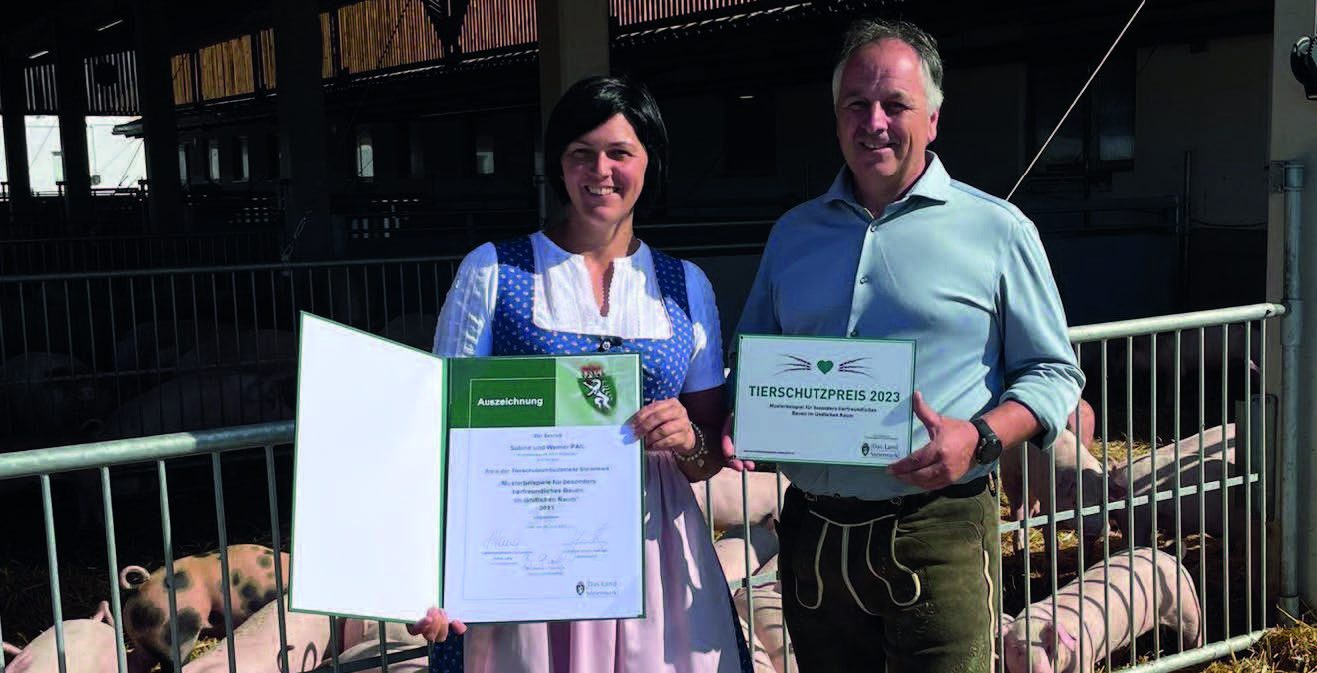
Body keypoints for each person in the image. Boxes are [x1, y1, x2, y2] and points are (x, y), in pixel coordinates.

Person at [728, 18, 1085, 673]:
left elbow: (1052, 372)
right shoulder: (792, 234)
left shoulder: (997, 230)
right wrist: (735, 416)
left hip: (937, 525)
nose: (874, 122)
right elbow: (754, 357)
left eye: (895, 104)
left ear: (933, 119)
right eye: (855, 105)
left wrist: (978, 437)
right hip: (814, 530)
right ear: (835, 119)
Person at [414, 74, 752, 673]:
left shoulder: (685, 285)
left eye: (620, 152)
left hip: (655, 560)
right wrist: (431, 567)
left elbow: (707, 458)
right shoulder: (493, 271)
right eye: (581, 154)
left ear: (649, 163)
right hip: (525, 550)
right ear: (558, 166)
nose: (601, 170)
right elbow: (442, 434)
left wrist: (688, 438)